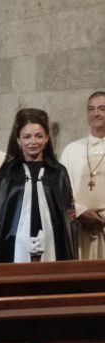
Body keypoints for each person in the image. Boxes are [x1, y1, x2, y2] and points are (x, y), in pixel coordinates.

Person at [0, 109, 77, 263]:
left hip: (52, 244)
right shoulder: (8, 172)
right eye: (27, 137)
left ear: (47, 138)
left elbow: (67, 219)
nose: (33, 142)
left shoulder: (58, 172)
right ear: (18, 140)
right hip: (14, 245)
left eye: (39, 136)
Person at [59, 92, 105, 260]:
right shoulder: (71, 150)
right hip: (79, 228)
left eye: (102, 109)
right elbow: (61, 190)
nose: (96, 113)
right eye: (91, 109)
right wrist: (81, 212)